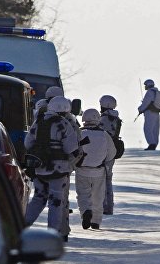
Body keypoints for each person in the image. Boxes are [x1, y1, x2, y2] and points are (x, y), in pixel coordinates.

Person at [24, 95, 79, 240]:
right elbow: (70, 147)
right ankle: (52, 234)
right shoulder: (63, 123)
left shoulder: (39, 121)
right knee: (56, 202)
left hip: (40, 168)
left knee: (38, 198)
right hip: (59, 169)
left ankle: (21, 226)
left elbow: (28, 143)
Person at [74, 109, 116, 230]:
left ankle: (85, 212)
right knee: (98, 196)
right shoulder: (104, 134)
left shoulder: (79, 133)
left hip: (81, 170)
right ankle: (96, 221)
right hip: (98, 171)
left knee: (82, 195)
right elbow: (111, 153)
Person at [99, 95, 123, 215]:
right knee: (108, 179)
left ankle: (104, 206)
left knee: (102, 179)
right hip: (112, 152)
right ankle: (109, 206)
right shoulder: (115, 118)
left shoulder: (104, 119)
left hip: (104, 152)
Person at [137, 79, 160, 150]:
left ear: (148, 85)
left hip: (150, 113)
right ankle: (155, 143)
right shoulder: (157, 92)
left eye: (145, 85)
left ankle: (151, 144)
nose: (144, 87)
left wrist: (140, 109)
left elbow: (145, 104)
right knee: (155, 130)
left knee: (147, 129)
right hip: (157, 113)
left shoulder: (149, 92)